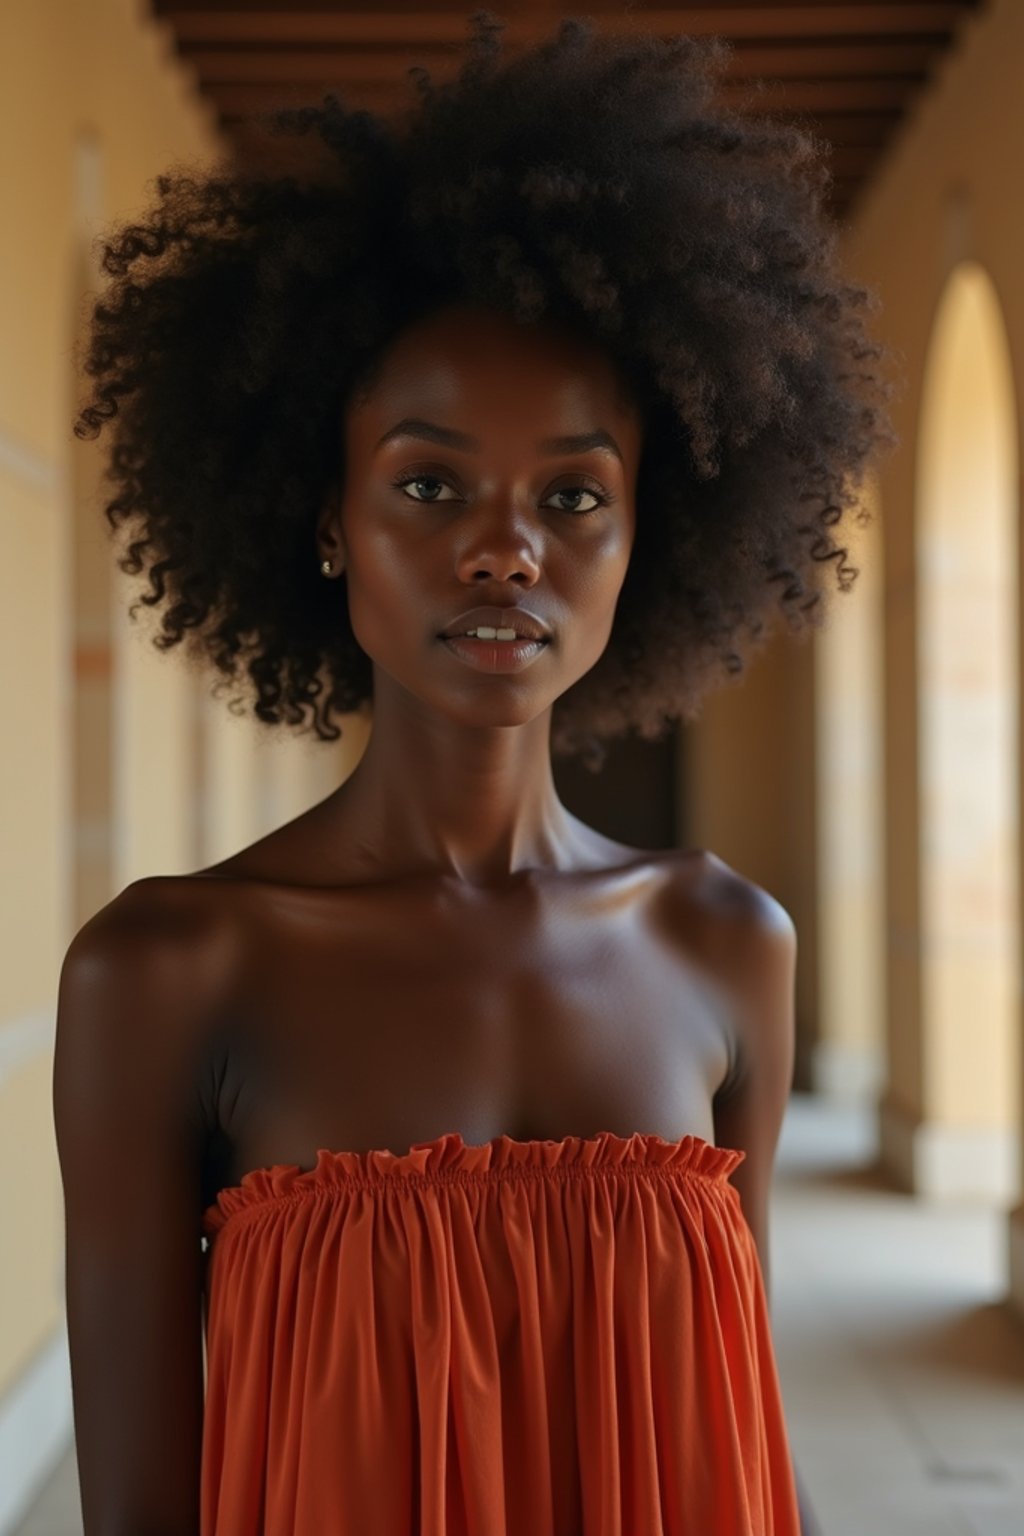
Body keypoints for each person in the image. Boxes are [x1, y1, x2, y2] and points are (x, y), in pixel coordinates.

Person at [54, 10, 896, 1534]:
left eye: (574, 493)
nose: (507, 546)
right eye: (429, 481)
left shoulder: (727, 943)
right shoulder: (169, 970)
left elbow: (739, 1439)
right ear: (328, 519)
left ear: (653, 538)